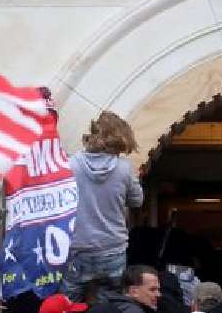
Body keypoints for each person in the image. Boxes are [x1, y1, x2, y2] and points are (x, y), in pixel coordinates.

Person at [66, 112, 145, 303]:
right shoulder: (124, 168)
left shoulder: (71, 164)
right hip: (112, 248)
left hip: (78, 248)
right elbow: (137, 201)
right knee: (110, 305)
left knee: (67, 305)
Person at [89, 265, 163, 313]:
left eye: (158, 290)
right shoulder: (132, 310)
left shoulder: (106, 299)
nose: (159, 294)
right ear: (133, 291)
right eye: (152, 289)